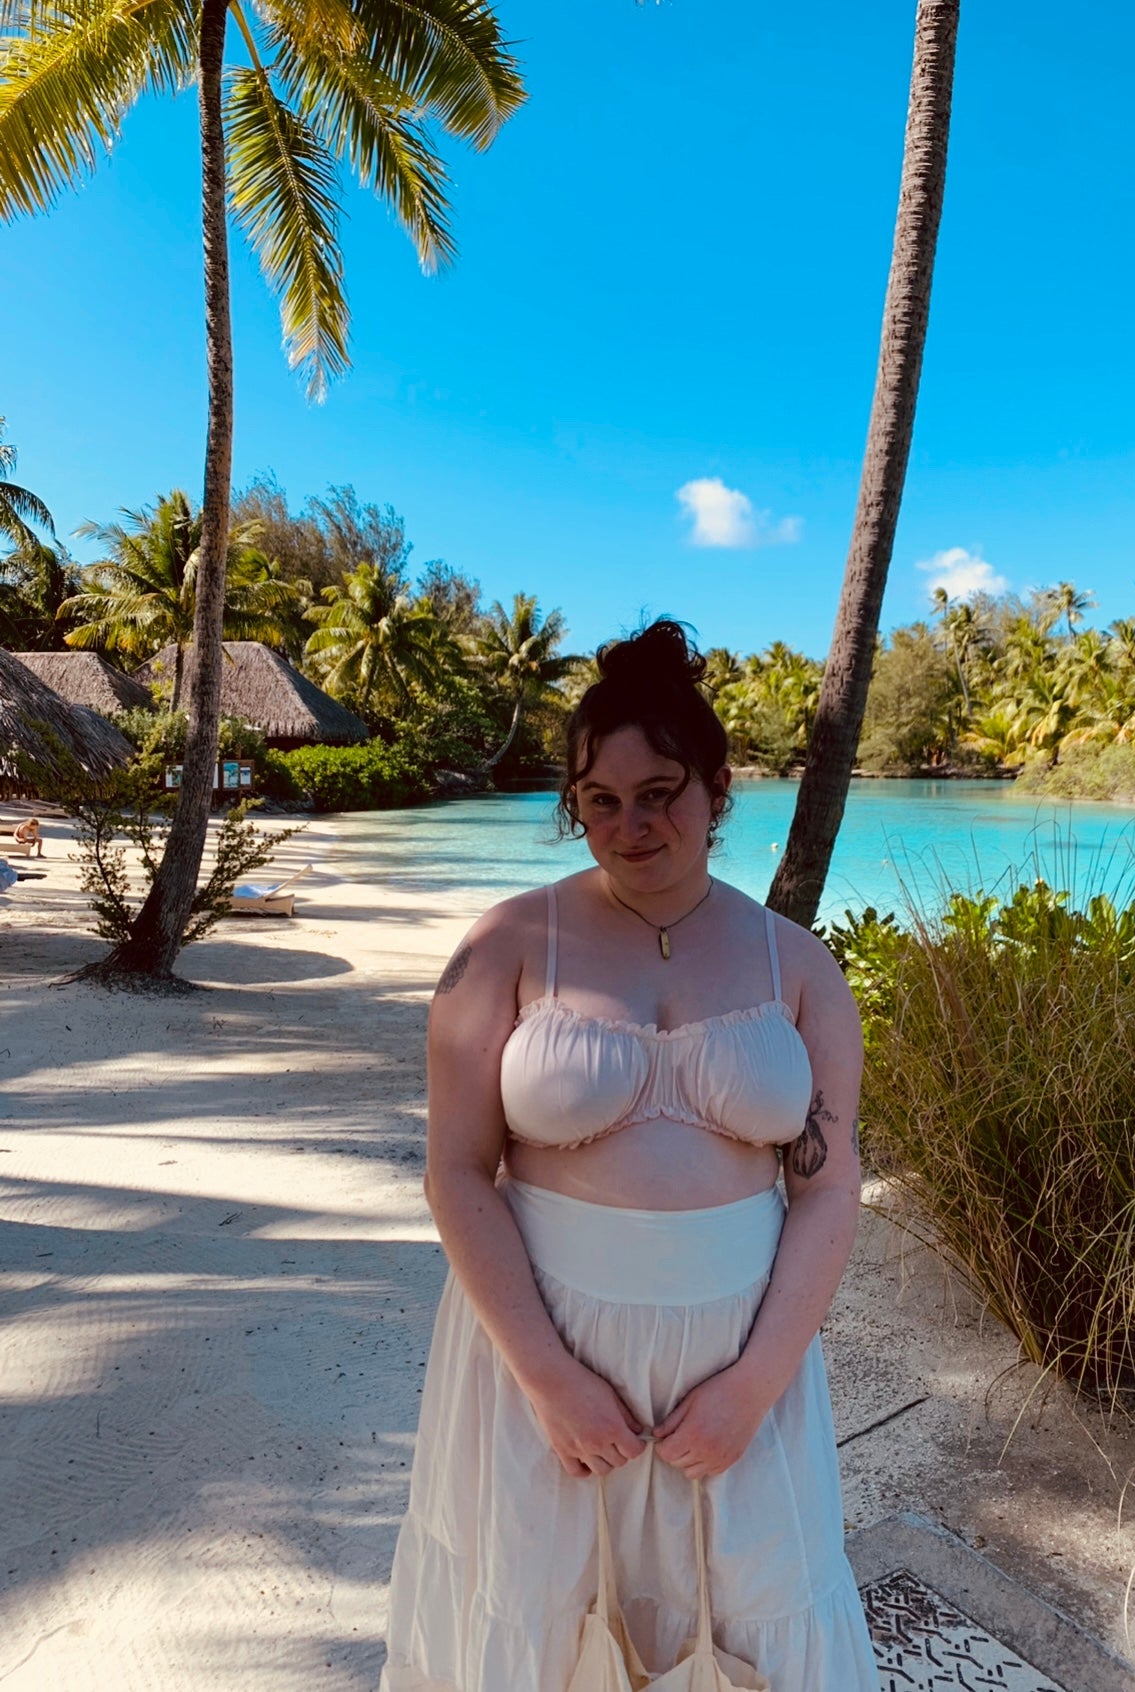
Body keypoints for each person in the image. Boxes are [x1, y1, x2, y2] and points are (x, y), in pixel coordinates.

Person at [380, 619, 880, 1691]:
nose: (630, 825)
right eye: (598, 802)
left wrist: (756, 1383)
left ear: (717, 786)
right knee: (539, 1617)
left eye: (660, 791)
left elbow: (830, 1187)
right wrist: (548, 1377)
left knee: (750, 1623)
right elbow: (459, 1174)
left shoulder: (798, 967)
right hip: (538, 1354)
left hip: (743, 1355)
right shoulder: (506, 945)